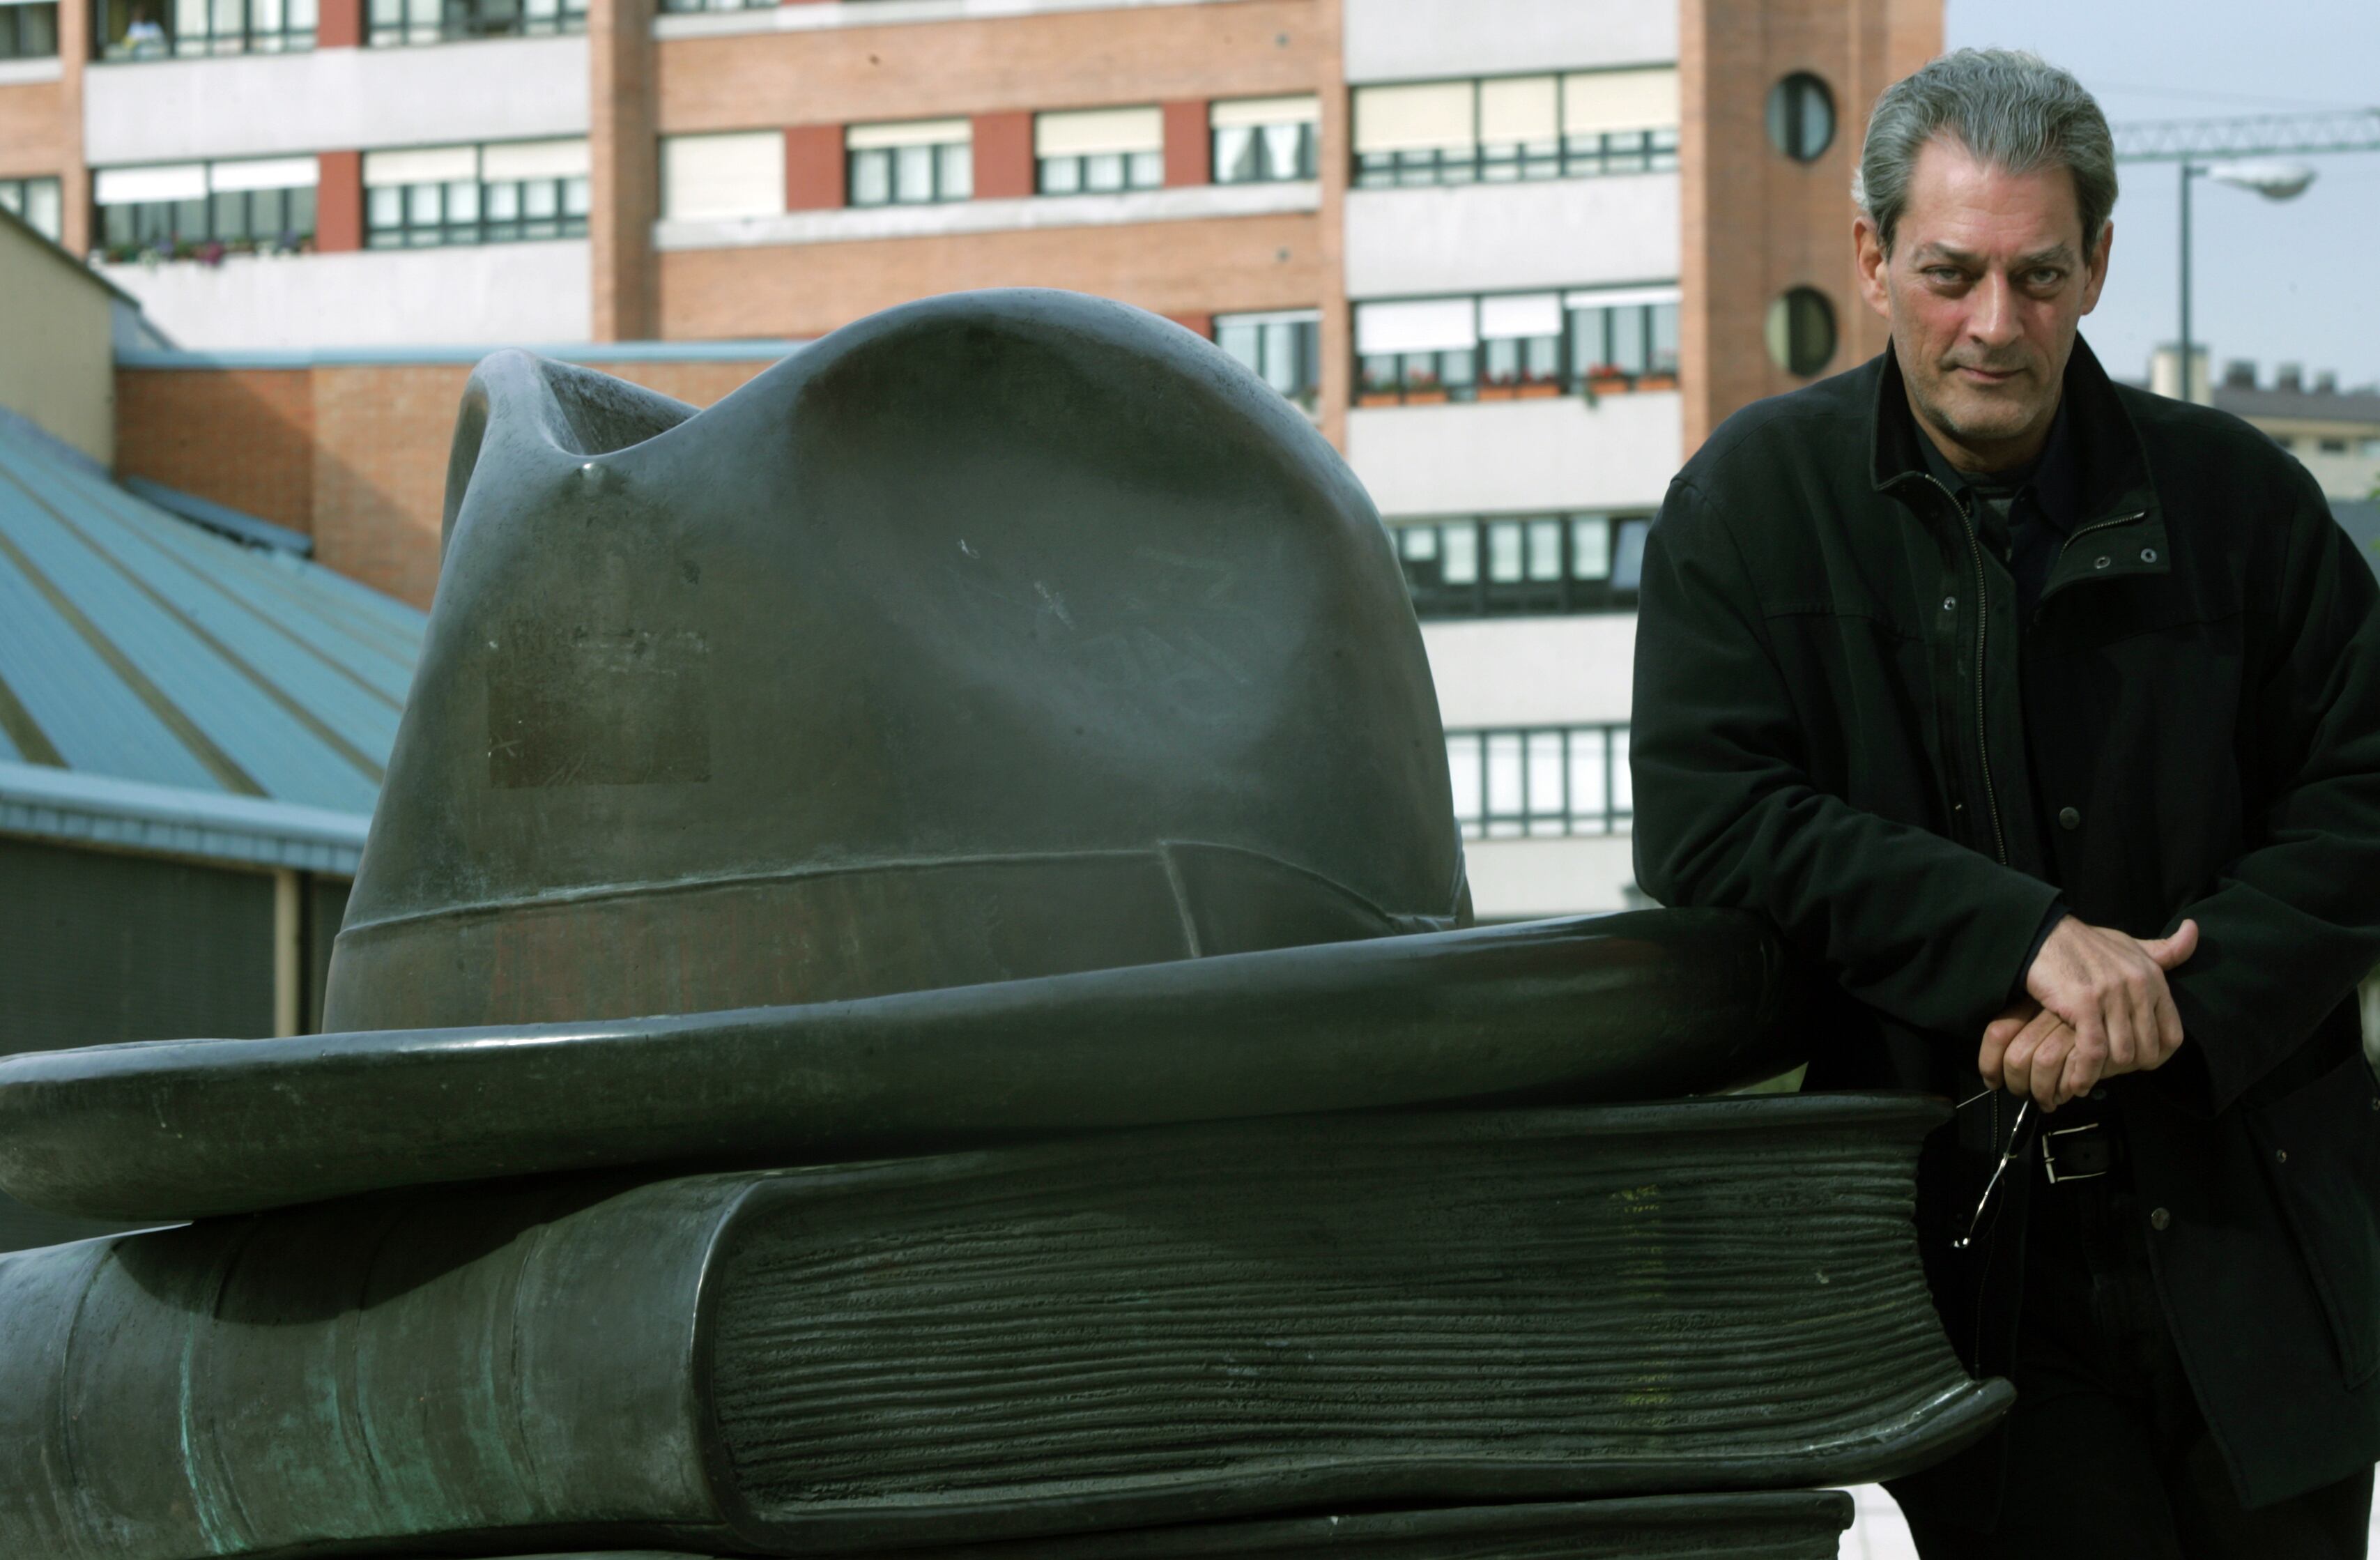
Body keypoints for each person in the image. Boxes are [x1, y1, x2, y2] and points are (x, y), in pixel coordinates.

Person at [1629, 47, 2380, 1559]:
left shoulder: (2241, 502)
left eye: (2038, 277)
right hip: (1970, 1267)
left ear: (2098, 262)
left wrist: (2166, 993)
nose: (1994, 325)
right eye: (1949, 272)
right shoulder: (1748, 505)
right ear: (1869, 257)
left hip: (2260, 1244)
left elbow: (2365, 793)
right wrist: (2020, 941)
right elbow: (1705, 818)